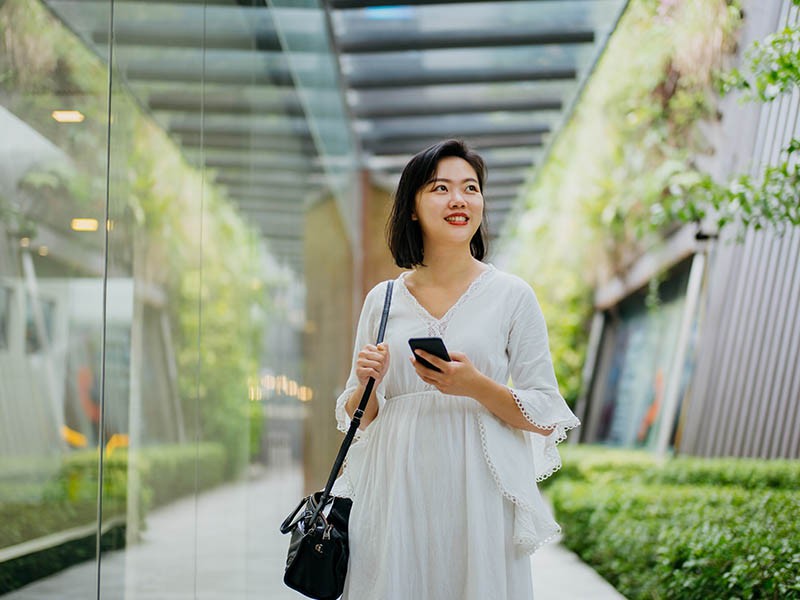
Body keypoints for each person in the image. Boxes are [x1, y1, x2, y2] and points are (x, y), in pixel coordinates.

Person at [333, 139, 580, 600]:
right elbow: (358, 419)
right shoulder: (382, 300)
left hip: (479, 493)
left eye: (470, 188)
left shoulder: (512, 296)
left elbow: (546, 411)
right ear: (412, 207)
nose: (459, 199)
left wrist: (475, 386)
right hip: (395, 495)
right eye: (440, 188)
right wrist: (366, 385)